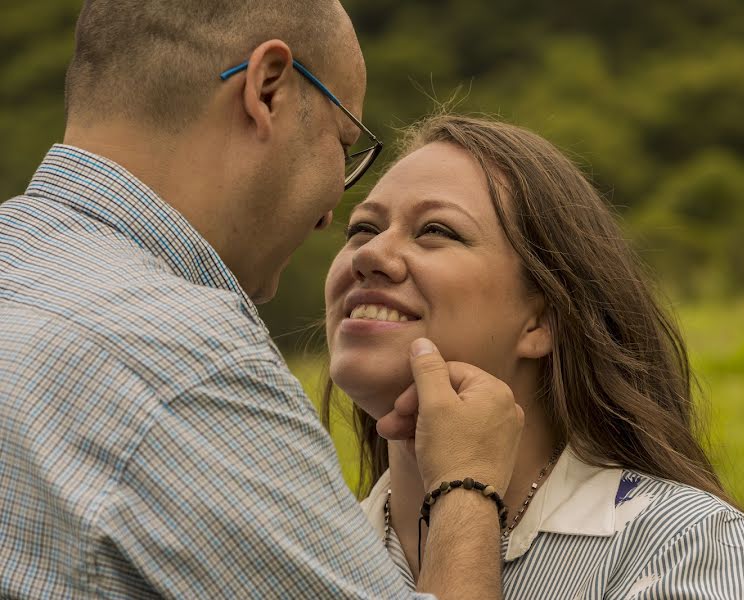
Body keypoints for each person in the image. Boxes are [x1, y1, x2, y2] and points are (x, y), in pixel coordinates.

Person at [0, 2, 524, 598]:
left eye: (437, 231)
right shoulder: (185, 360)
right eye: (343, 142)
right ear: (267, 88)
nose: (332, 214)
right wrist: (466, 488)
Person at [323, 114, 744, 599]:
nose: (370, 253)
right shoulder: (296, 559)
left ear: (540, 320)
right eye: (362, 229)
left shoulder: (682, 546)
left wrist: (462, 492)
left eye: (436, 230)